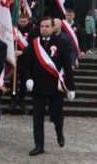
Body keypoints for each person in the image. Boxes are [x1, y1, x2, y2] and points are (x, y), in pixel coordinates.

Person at [21, 17, 75, 156]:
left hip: (55, 87)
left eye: (47, 26)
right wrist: (28, 79)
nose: (44, 29)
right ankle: (39, 145)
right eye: (42, 26)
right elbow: (26, 64)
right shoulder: (34, 44)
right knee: (37, 117)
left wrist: (71, 87)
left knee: (56, 115)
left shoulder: (61, 43)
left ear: (53, 28)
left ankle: (59, 131)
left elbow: (67, 66)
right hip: (38, 87)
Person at [9, 13, 35, 112]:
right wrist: (12, 39)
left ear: (27, 21)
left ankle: (21, 100)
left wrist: (23, 52)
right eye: (21, 21)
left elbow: (32, 45)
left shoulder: (31, 31)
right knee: (13, 81)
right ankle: (13, 100)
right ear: (18, 21)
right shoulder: (14, 30)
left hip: (26, 60)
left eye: (24, 21)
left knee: (24, 81)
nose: (23, 23)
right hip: (15, 60)